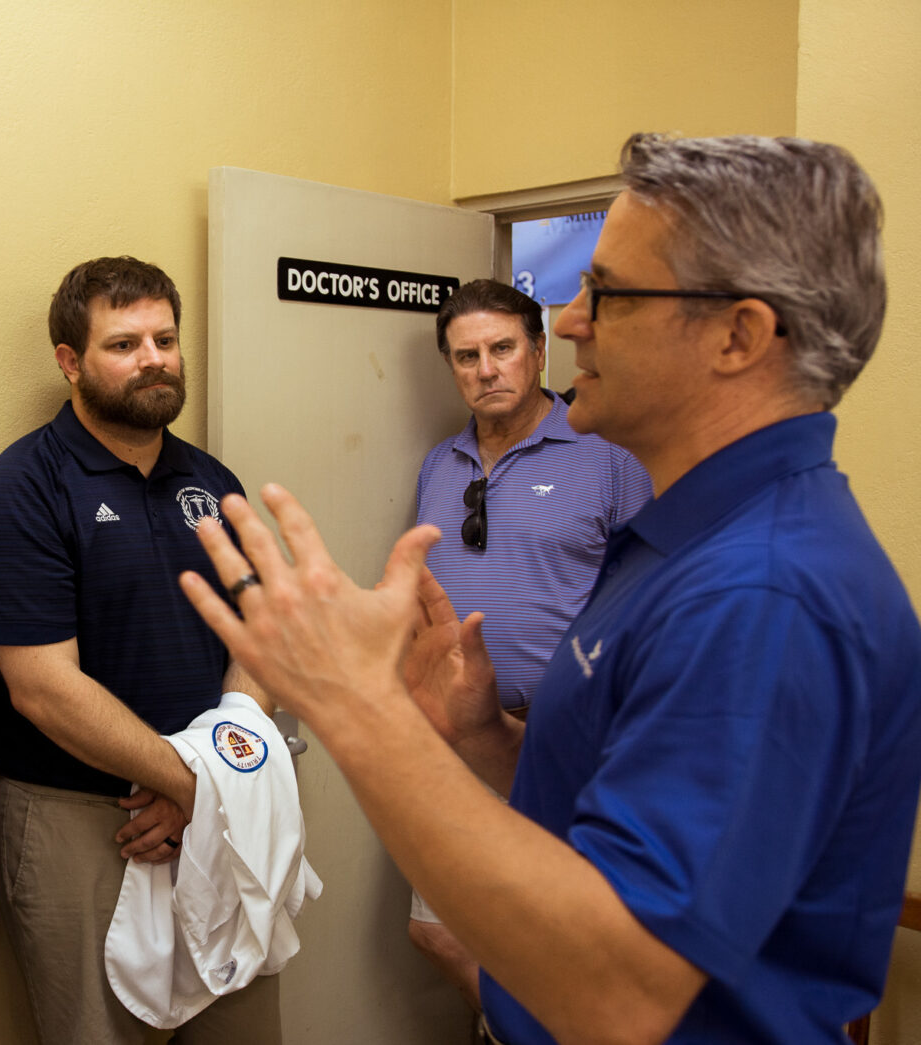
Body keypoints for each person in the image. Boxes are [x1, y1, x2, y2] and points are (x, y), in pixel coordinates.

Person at [177, 134, 921, 1044]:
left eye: (605, 294)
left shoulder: (762, 594)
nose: (568, 323)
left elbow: (617, 990)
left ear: (740, 336)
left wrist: (356, 708)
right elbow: (619, 808)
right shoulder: (688, 540)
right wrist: (483, 736)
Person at [0, 256, 285, 1044]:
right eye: (125, 343)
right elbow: (42, 687)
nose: (154, 358)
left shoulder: (211, 480)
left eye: (165, 338)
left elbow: (262, 632)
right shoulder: (25, 488)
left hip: (211, 802)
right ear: (70, 362)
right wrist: (191, 786)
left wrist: (209, 783)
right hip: (85, 822)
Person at [410, 278, 650, 1004]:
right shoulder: (437, 464)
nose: (486, 369)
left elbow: (645, 597)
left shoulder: (607, 455)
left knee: (564, 931)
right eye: (466, 356)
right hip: (457, 739)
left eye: (503, 349)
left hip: (565, 741)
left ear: (539, 350)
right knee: (440, 928)